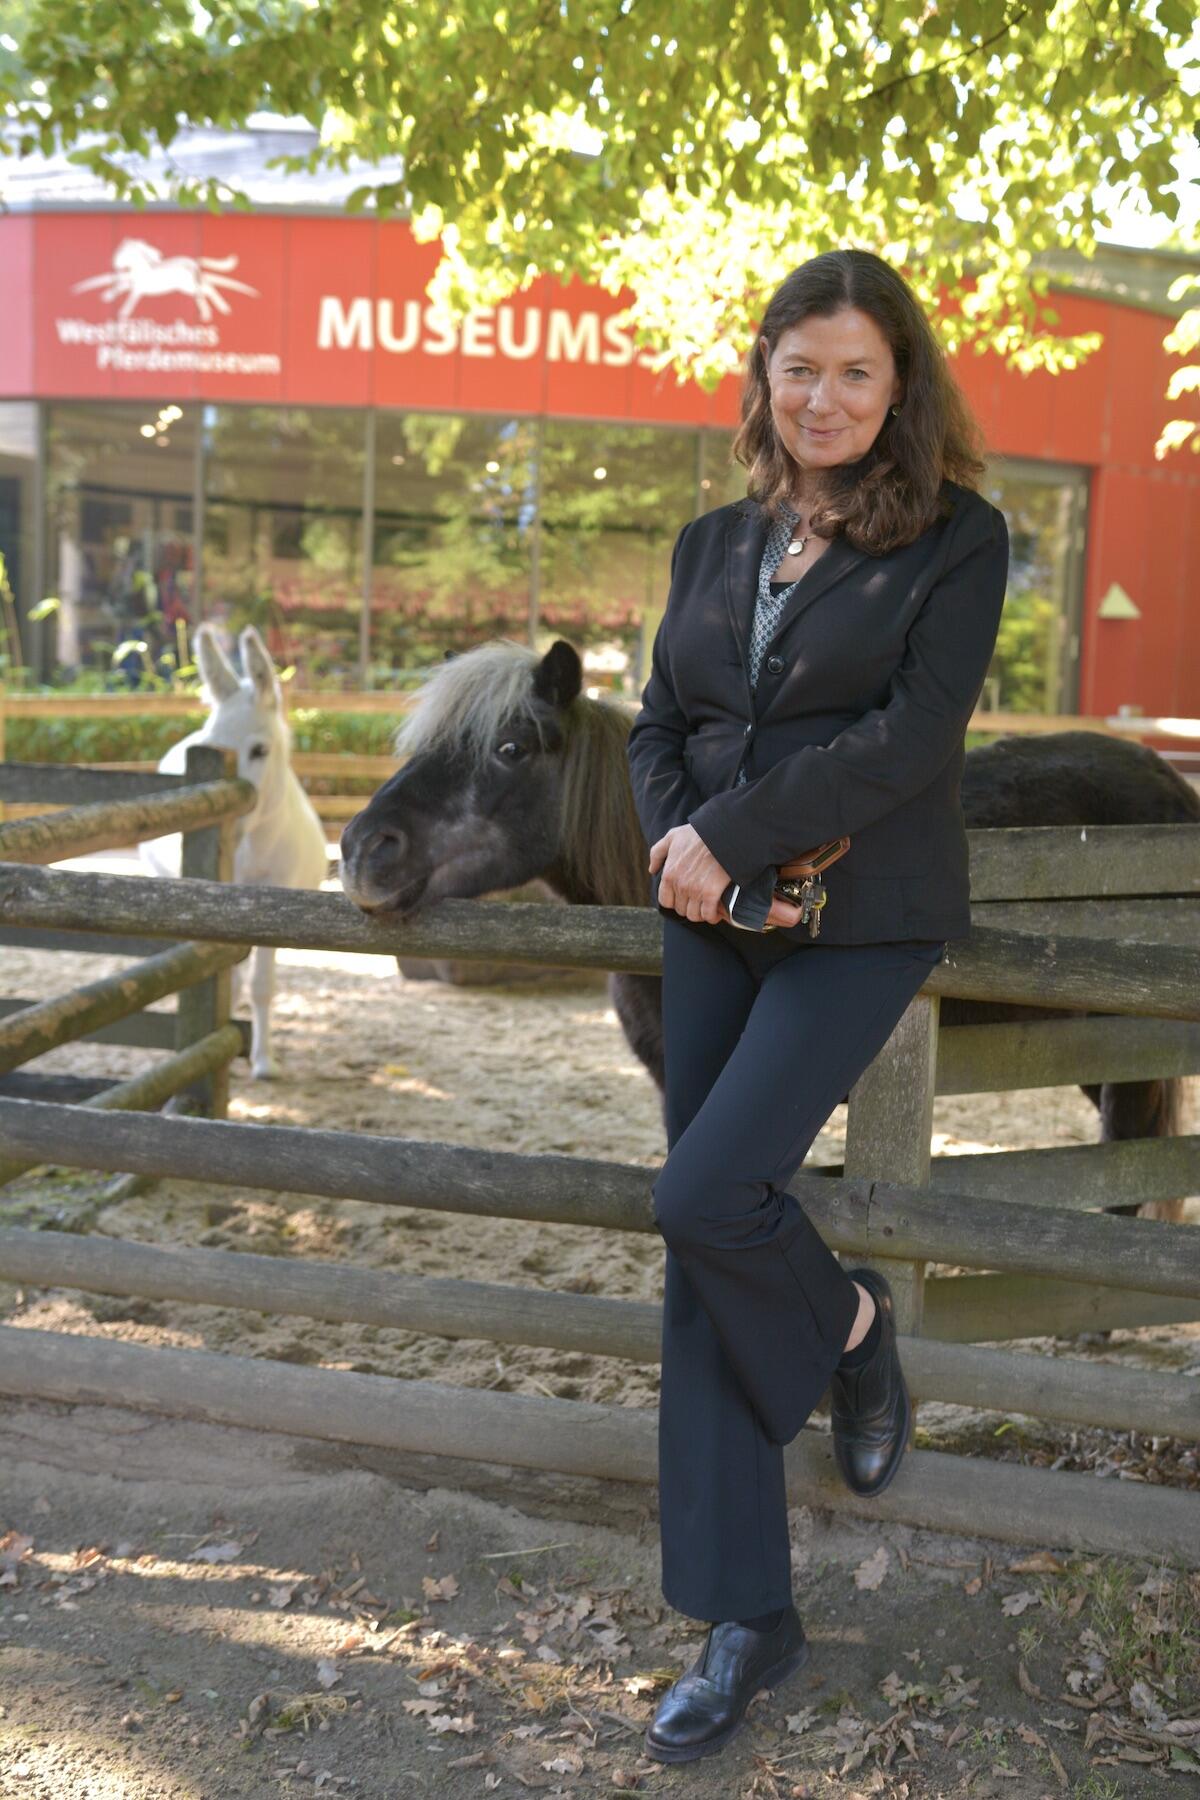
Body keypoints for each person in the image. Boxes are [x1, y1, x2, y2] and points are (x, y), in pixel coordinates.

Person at [626, 247, 1010, 1766]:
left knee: (708, 1194)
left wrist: (735, 836)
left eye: (857, 370)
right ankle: (746, 1619)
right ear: (764, 376)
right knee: (703, 1247)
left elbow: (910, 741)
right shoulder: (711, 541)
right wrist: (682, 851)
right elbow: (666, 721)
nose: (826, 396)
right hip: (709, 915)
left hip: (862, 915)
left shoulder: (960, 541)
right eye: (802, 367)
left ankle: (853, 1324)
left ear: (899, 383)